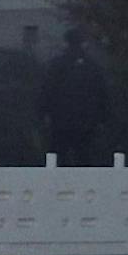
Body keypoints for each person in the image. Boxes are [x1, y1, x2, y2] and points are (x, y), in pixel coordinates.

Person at [36, 26, 112, 166]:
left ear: (65, 43)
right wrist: (103, 119)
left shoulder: (56, 65)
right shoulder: (93, 67)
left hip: (59, 122)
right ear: (84, 44)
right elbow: (103, 95)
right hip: (87, 123)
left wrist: (43, 115)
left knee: (57, 159)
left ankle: (56, 186)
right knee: (84, 158)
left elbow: (46, 91)